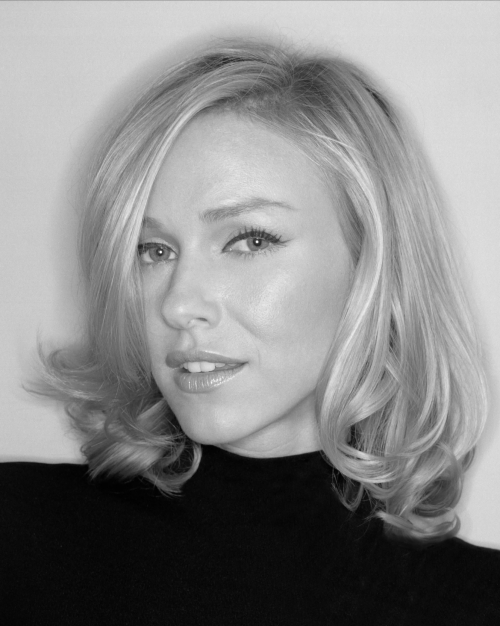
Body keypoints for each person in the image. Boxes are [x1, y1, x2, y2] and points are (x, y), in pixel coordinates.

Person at [1, 38, 499, 625]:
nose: (178, 304)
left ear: (373, 264)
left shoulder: (476, 602)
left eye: (251, 241)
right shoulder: (18, 536)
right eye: (153, 250)